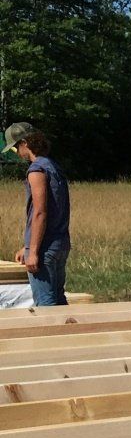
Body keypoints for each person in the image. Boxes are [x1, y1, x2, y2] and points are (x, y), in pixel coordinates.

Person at [5, 122, 71, 306]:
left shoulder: (36, 170)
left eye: (16, 148)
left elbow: (40, 212)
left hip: (45, 249)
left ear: (25, 143)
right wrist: (26, 246)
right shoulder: (53, 166)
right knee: (58, 300)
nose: (17, 154)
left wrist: (32, 251)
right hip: (60, 244)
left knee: (46, 306)